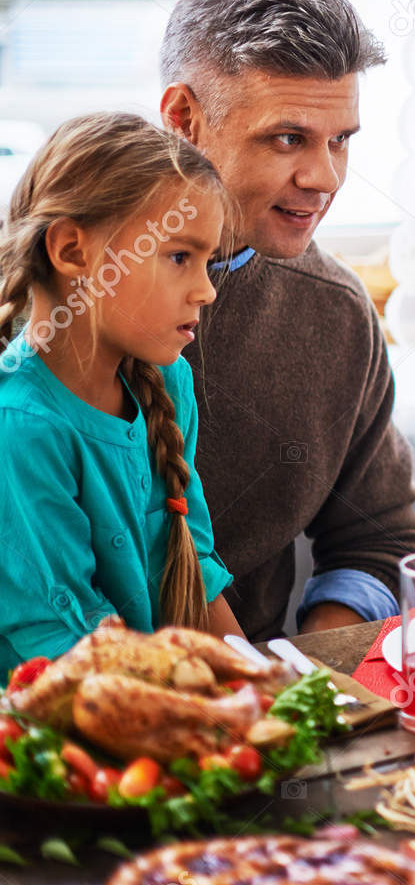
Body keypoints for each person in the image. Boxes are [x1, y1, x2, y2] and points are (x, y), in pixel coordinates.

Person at [158, 0, 415, 640]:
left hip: (257, 690)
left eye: (341, 140)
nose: (325, 178)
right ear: (184, 120)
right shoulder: (44, 299)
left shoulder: (337, 313)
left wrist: (301, 672)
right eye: (288, 138)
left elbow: (376, 540)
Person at [0, 113, 241, 670]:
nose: (206, 290)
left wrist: (266, 682)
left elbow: (192, 568)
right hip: (66, 709)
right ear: (72, 251)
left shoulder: (168, 382)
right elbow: (70, 645)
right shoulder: (21, 425)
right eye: (179, 257)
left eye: (207, 262)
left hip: (156, 688)